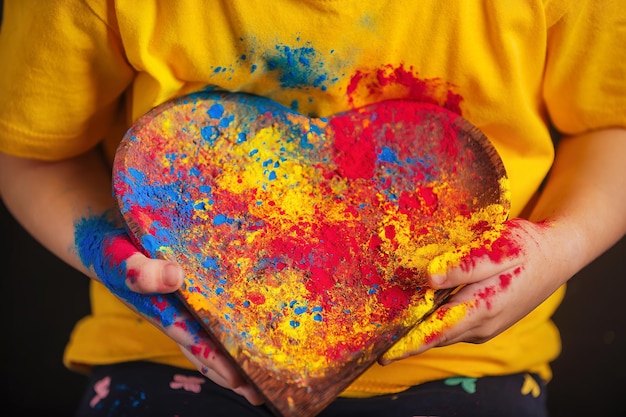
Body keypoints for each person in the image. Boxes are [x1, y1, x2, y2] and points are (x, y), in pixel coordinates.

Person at [0, 1, 624, 416]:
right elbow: (31, 152)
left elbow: (611, 126)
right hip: (175, 349)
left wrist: (558, 246)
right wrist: (115, 263)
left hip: (467, 364)